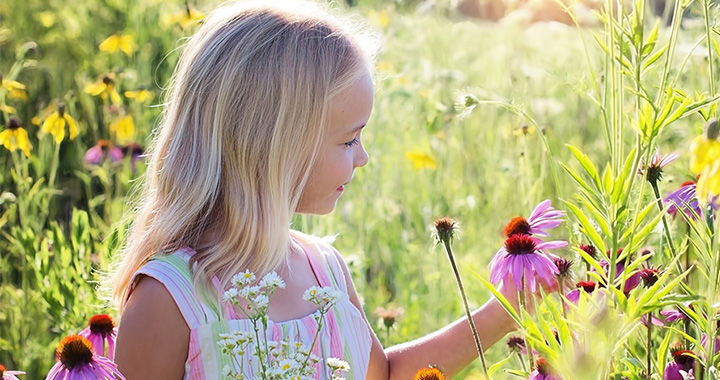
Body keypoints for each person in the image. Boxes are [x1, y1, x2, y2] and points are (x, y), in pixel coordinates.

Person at [106, 1, 522, 378]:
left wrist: (504, 310)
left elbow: (386, 377)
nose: (362, 157)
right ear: (272, 146)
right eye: (347, 140)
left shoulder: (325, 270)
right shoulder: (170, 302)